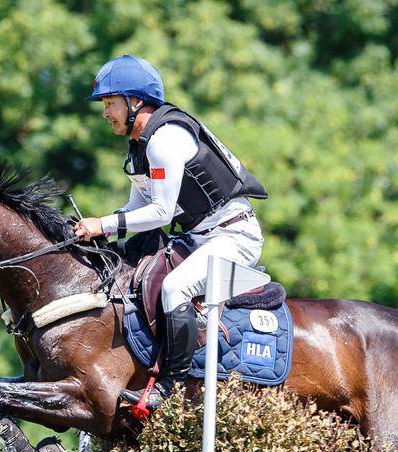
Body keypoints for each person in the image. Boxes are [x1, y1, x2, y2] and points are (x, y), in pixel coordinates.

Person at [73, 54, 268, 412]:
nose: (105, 113)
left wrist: (104, 223)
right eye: (104, 104)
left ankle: (172, 385)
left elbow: (161, 213)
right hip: (197, 238)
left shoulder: (164, 141)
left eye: (110, 103)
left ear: (135, 102)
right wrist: (98, 229)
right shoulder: (140, 149)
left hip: (232, 236)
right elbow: (137, 209)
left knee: (175, 287)